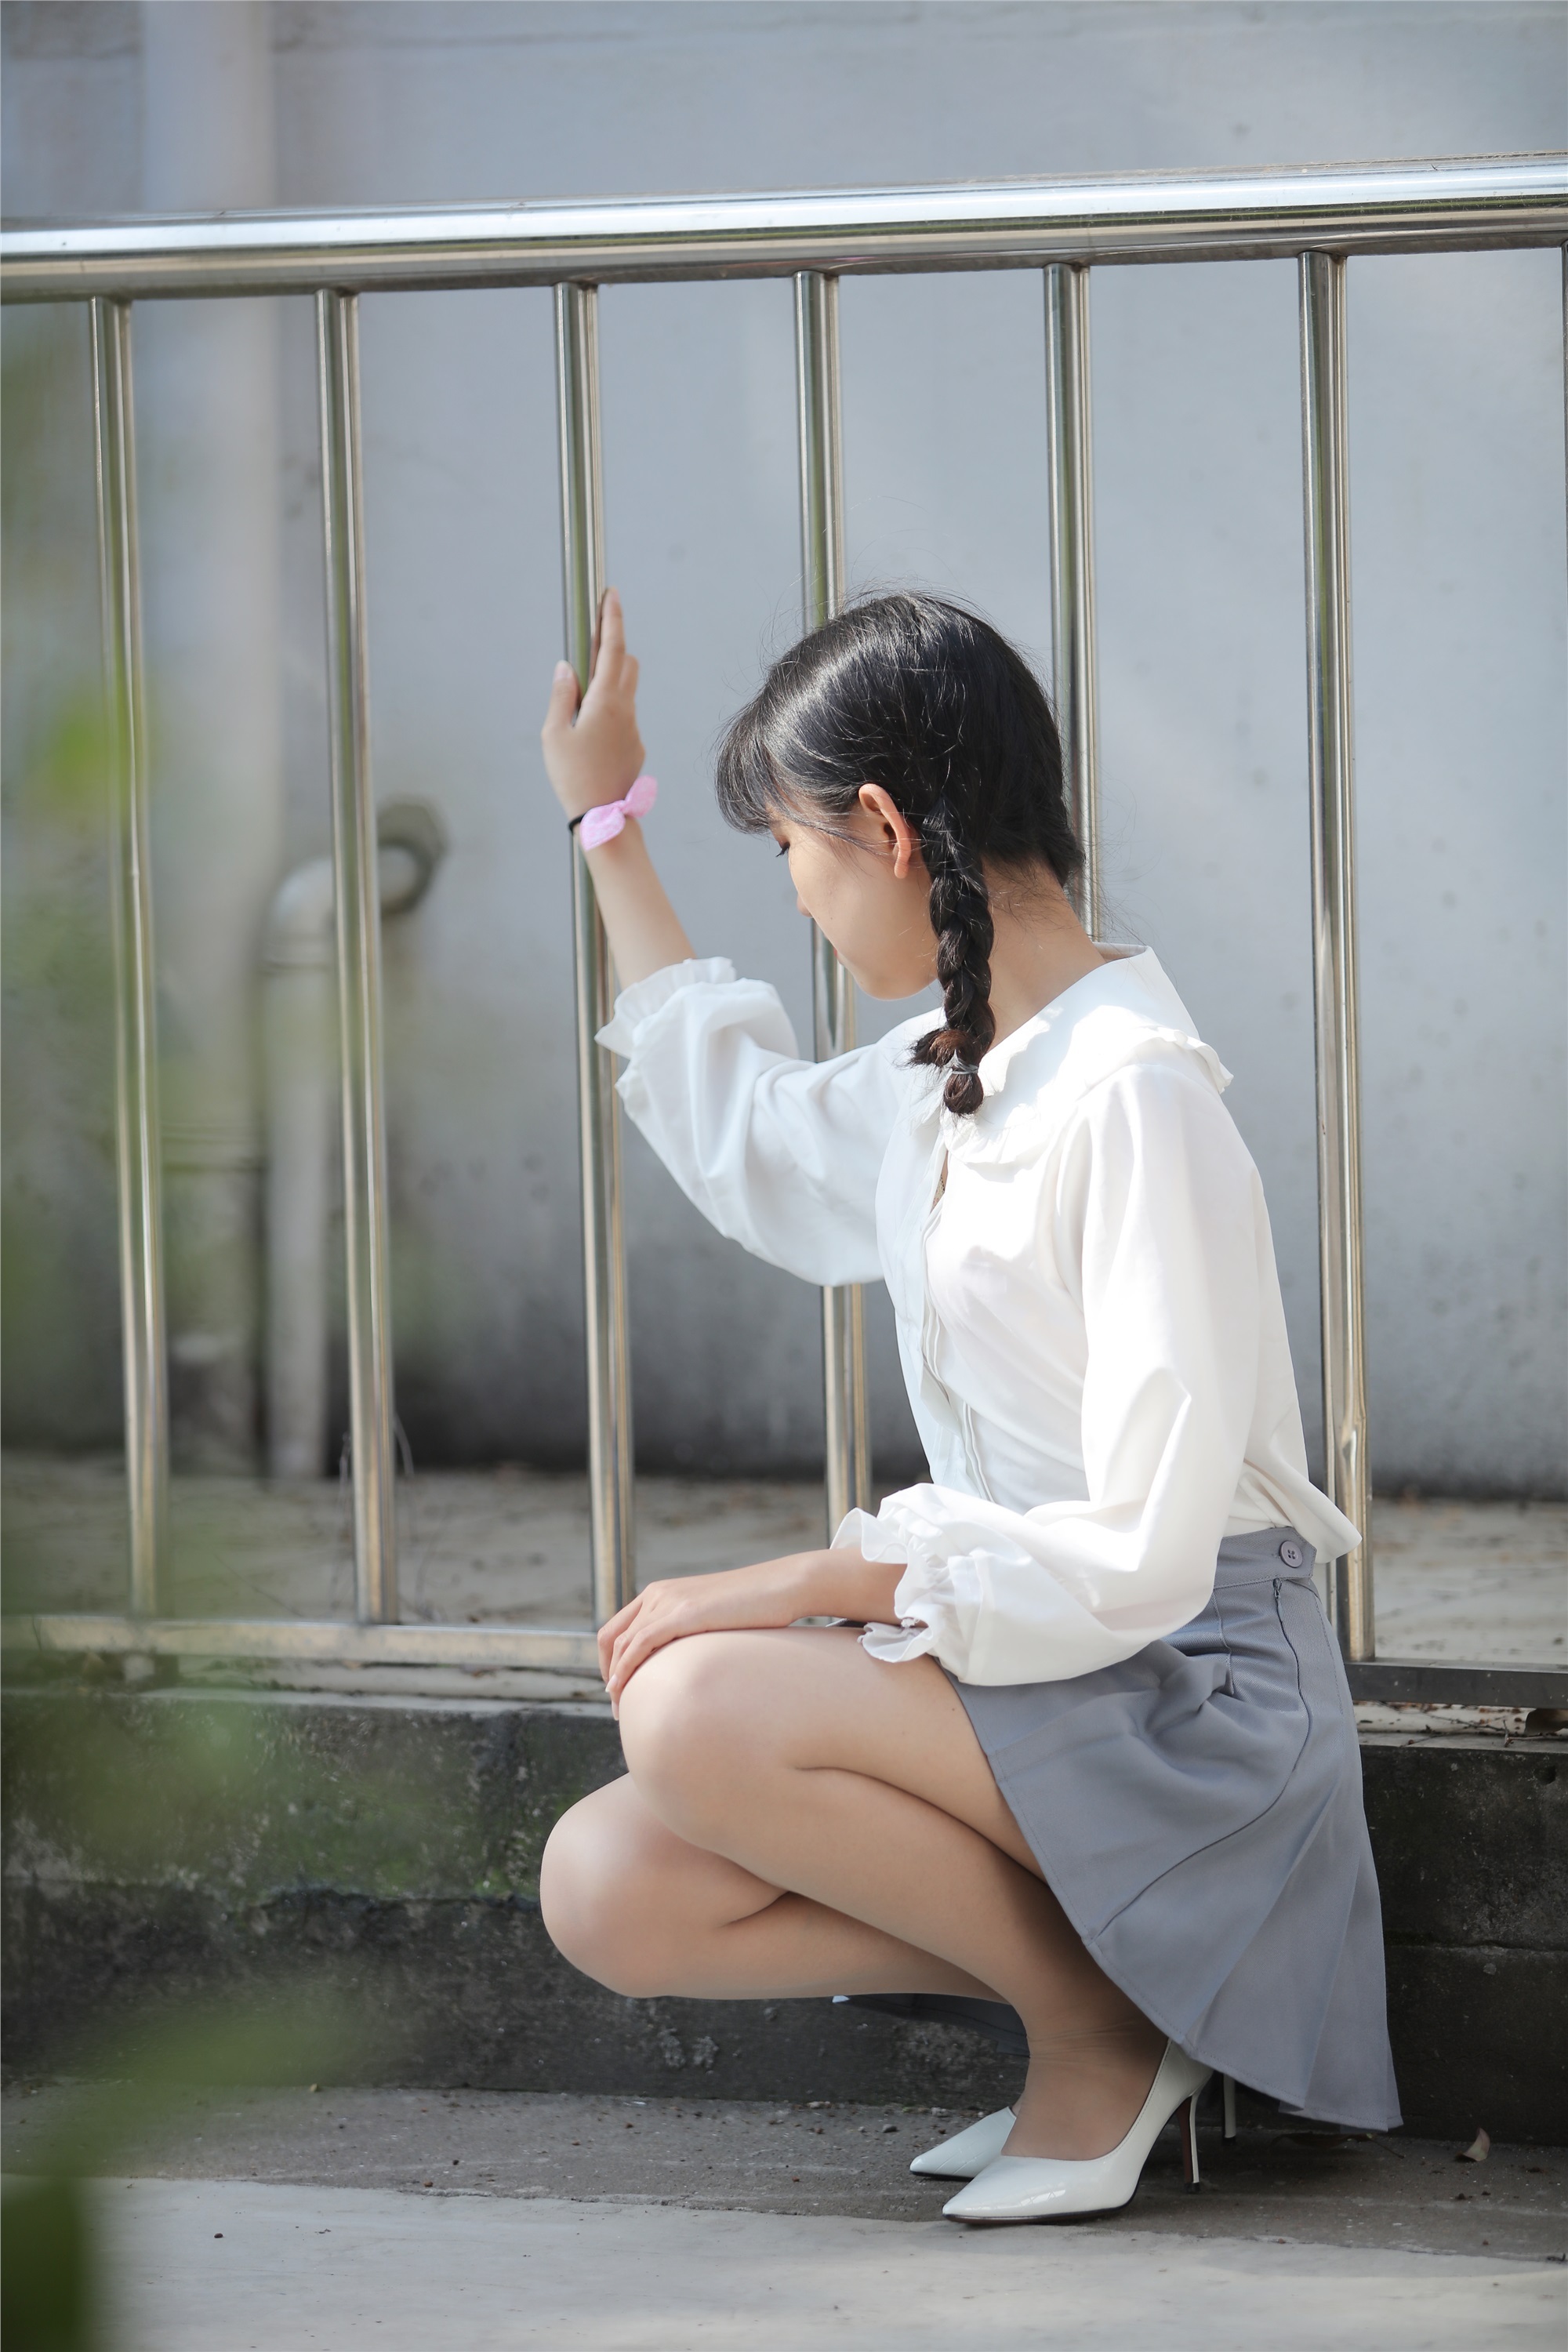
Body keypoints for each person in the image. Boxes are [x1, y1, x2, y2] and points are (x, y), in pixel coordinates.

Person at [537, 587, 1400, 2225]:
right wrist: (606, 819)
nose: (797, 900)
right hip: (1030, 1664)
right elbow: (750, 1139)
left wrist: (814, 1582)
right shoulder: (955, 1066)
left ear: (879, 827)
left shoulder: (1132, 1097)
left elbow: (1145, 1553)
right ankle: (1113, 1993)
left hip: (1183, 1693)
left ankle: (1098, 2036)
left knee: (699, 1705)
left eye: (793, 853)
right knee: (608, 1884)